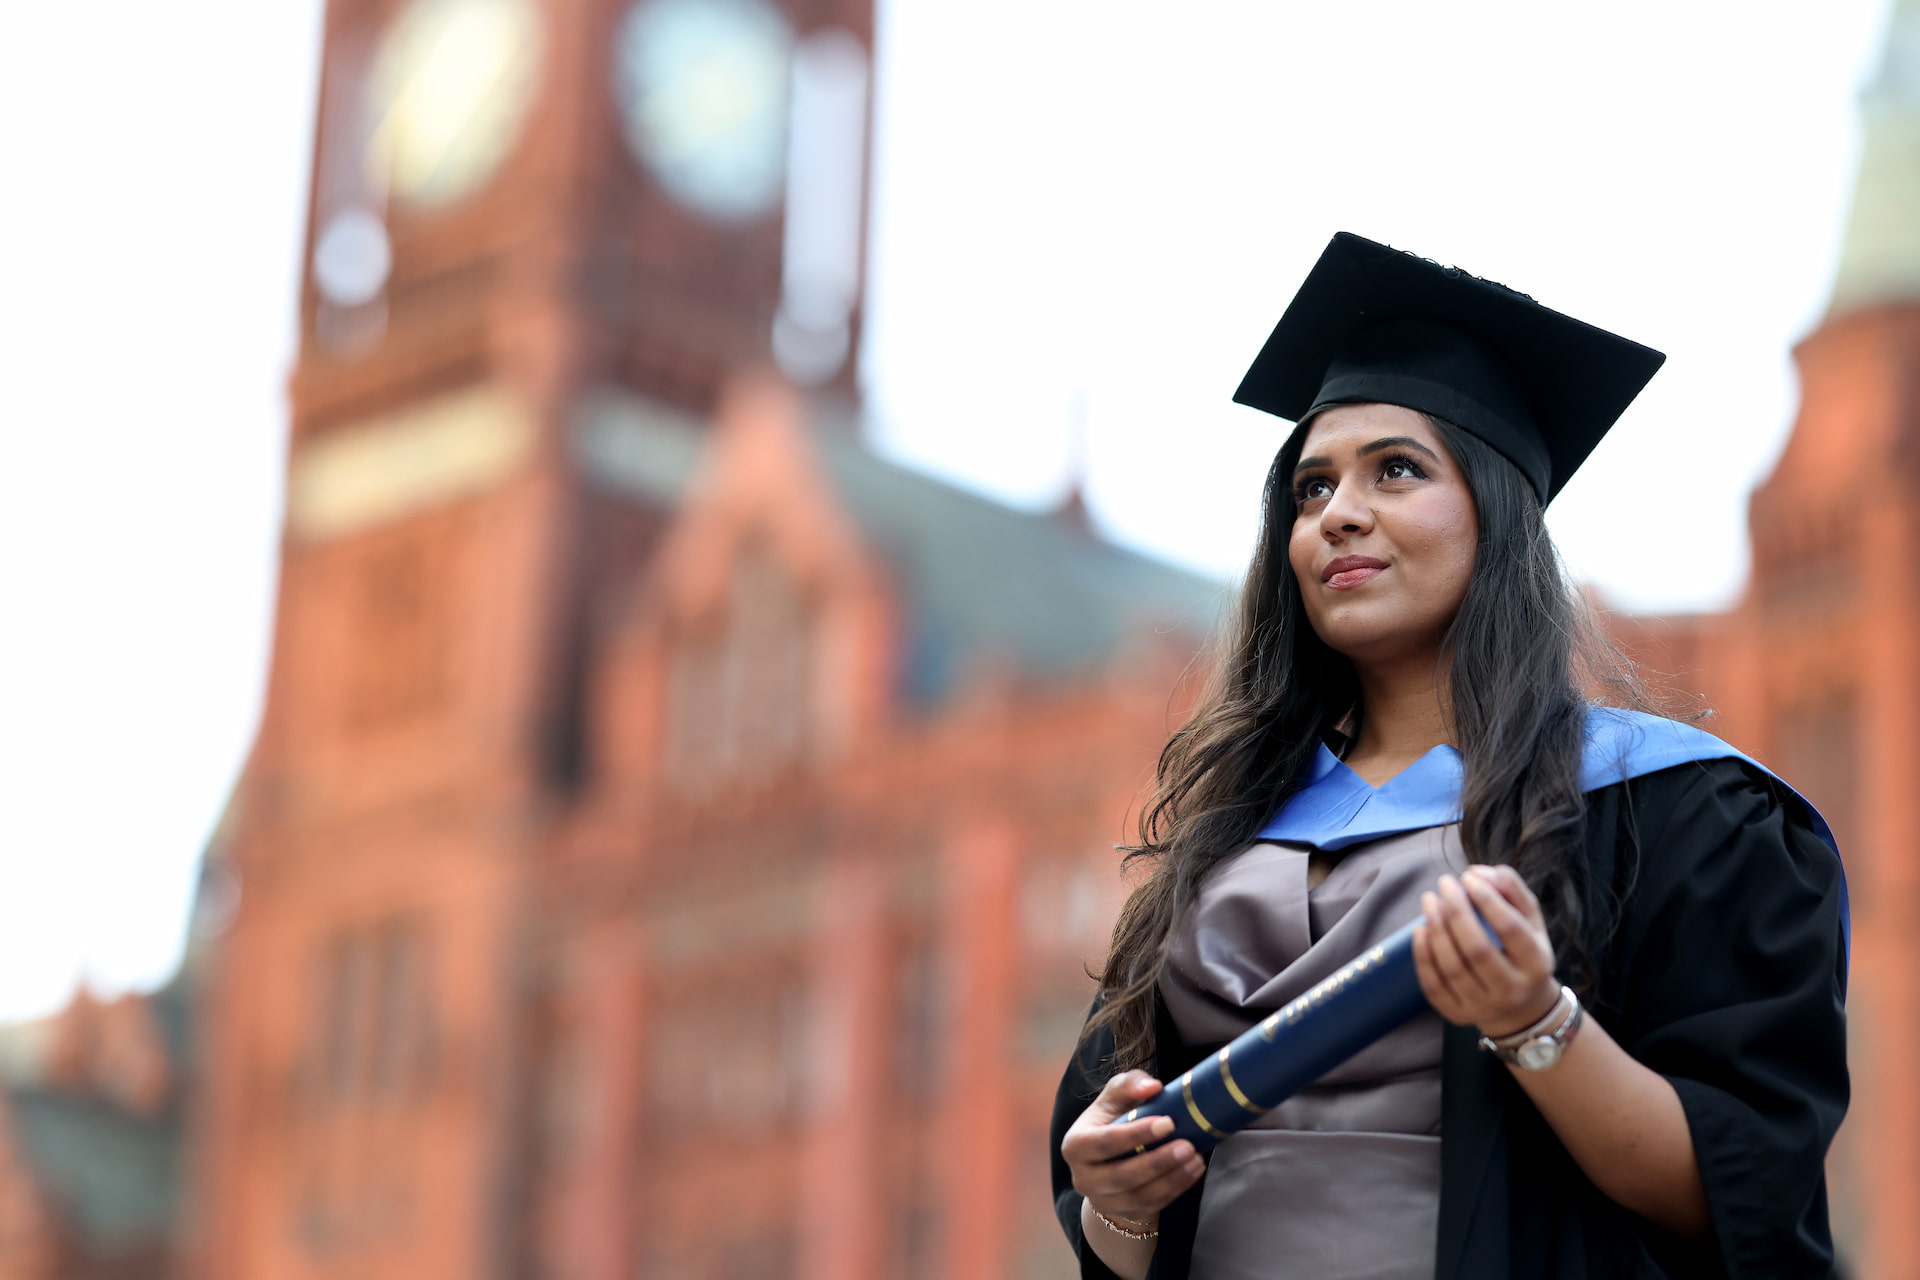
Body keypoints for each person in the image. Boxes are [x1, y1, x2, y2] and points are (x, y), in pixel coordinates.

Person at [1049, 233, 1850, 1280]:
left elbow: (1743, 1193)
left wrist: (1533, 1017)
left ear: (1494, 510)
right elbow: (1118, 1226)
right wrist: (1115, 1202)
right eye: (1310, 487)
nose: (1338, 511)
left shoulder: (1669, 811)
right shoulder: (1225, 835)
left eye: (1396, 469)